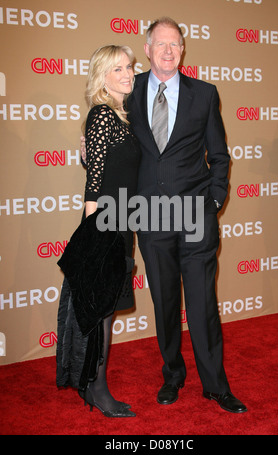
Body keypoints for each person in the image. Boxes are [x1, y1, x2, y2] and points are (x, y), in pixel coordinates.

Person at [81, 17, 247, 414]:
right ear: (148, 49)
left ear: (183, 50)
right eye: (161, 44)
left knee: (204, 303)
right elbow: (109, 143)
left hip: (195, 216)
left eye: (176, 44)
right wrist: (84, 152)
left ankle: (215, 385)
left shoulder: (204, 94)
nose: (169, 51)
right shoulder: (128, 91)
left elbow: (219, 155)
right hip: (150, 218)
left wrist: (214, 201)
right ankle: (173, 375)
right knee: (165, 303)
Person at [56, 45, 140, 418]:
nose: (127, 73)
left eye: (129, 66)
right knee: (102, 309)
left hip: (123, 223)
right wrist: (92, 230)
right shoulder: (103, 114)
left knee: (106, 308)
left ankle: (92, 383)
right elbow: (95, 180)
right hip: (105, 224)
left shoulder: (123, 116)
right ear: (102, 76)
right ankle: (96, 389)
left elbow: (104, 162)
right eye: (118, 68)